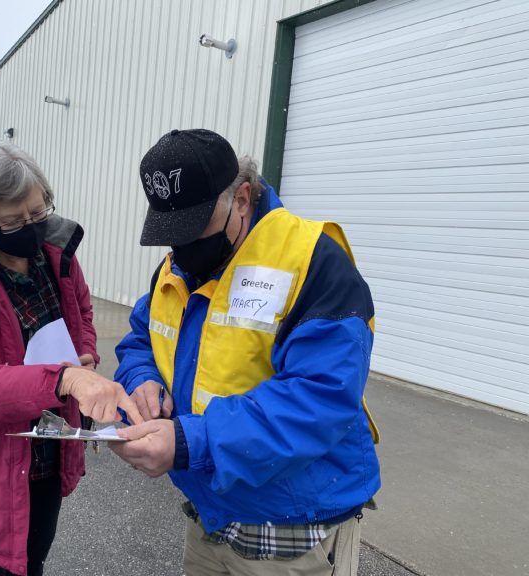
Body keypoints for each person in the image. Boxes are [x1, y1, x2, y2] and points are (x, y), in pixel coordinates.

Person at [110, 128, 381, 576]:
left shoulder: (312, 261)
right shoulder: (180, 265)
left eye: (196, 227)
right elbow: (143, 335)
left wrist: (190, 442)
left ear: (240, 198)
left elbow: (320, 397)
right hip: (210, 516)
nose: (182, 248)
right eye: (172, 233)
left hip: (292, 528)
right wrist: (143, 379)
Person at [0, 141, 144, 576]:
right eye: (14, 221)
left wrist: (85, 354)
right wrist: (64, 379)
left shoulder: (56, 257)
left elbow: (81, 312)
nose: (31, 227)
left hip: (44, 459)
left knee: (32, 563)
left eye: (38, 212)